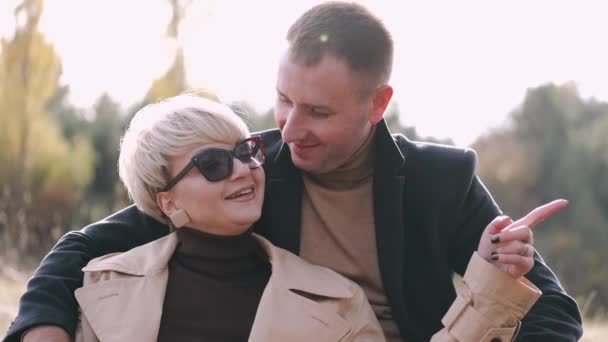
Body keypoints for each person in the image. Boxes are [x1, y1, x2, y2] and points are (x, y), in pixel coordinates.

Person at [4, 2, 582, 341]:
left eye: (318, 112)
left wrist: (503, 271)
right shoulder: (249, 172)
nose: (290, 126)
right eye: (283, 99)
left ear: (377, 105)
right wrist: (42, 330)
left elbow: (554, 314)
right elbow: (80, 251)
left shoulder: (440, 181)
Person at [74, 94, 385, 341]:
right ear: (168, 203)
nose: (241, 169)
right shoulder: (102, 287)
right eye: (212, 164)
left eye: (244, 152)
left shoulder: (339, 302)